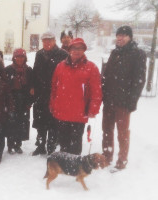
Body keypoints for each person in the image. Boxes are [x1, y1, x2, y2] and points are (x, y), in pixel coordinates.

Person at [102, 26, 146, 170]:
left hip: (124, 102)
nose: (120, 38)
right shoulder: (115, 53)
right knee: (107, 129)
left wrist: (131, 101)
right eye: (118, 35)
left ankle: (122, 160)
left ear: (130, 37)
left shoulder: (138, 54)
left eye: (124, 36)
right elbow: (107, 74)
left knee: (122, 133)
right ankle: (106, 157)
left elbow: (139, 80)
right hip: (109, 100)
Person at [50, 38, 102, 155]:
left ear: (84, 50)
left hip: (79, 113)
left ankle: (74, 167)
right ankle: (64, 164)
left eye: (80, 48)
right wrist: (53, 105)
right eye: (74, 48)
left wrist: (93, 109)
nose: (77, 51)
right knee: (63, 142)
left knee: (75, 142)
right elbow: (54, 88)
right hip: (62, 111)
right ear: (69, 50)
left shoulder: (91, 67)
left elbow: (96, 91)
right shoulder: (60, 66)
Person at [32, 31, 68, 156]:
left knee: (54, 122)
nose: (47, 43)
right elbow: (35, 72)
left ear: (54, 41)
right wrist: (33, 88)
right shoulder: (39, 54)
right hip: (41, 93)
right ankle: (40, 145)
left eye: (50, 40)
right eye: (45, 40)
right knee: (40, 121)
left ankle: (51, 146)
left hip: (55, 93)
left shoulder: (63, 54)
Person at [4, 48, 34, 154]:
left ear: (25, 58)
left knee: (22, 123)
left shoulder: (29, 70)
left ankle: (18, 144)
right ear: (14, 58)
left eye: (22, 57)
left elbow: (32, 87)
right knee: (11, 122)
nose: (20, 59)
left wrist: (30, 101)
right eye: (18, 57)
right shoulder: (8, 70)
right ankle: (10, 144)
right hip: (12, 100)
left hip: (24, 100)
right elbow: (4, 86)